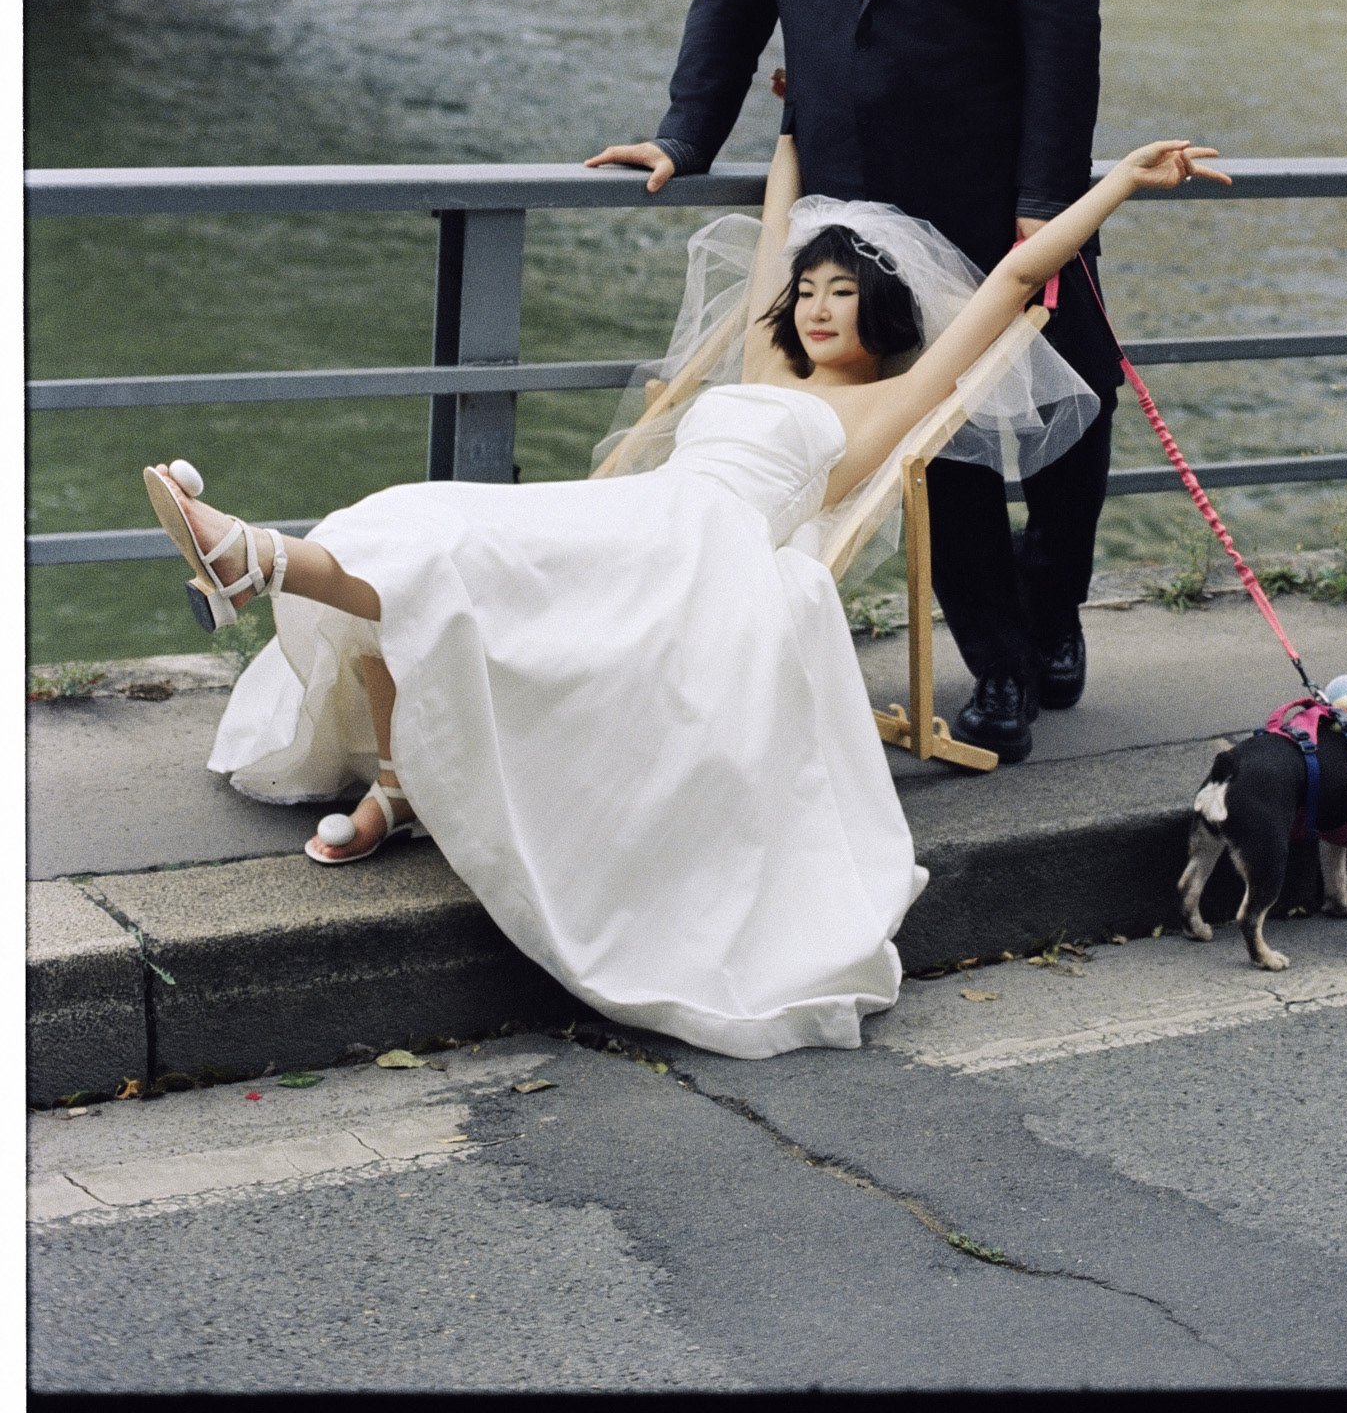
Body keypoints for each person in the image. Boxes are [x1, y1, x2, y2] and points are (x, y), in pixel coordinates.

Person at [145, 133, 1224, 1062]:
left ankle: (256, 559)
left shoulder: (893, 399)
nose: (815, 307)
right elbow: (776, 224)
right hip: (644, 511)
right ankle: (377, 751)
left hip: (706, 555)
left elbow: (1016, 275)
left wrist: (1122, 181)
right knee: (420, 516)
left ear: (885, 311)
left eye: (842, 293)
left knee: (448, 555)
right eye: (808, 291)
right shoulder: (762, 360)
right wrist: (788, 128)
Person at [586, 0, 1121, 765]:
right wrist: (684, 136)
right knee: (938, 444)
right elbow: (731, 5)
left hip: (1004, 212)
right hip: (857, 221)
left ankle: (1053, 604)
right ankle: (1001, 668)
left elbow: (1064, 42)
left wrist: (1043, 199)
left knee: (1078, 413)